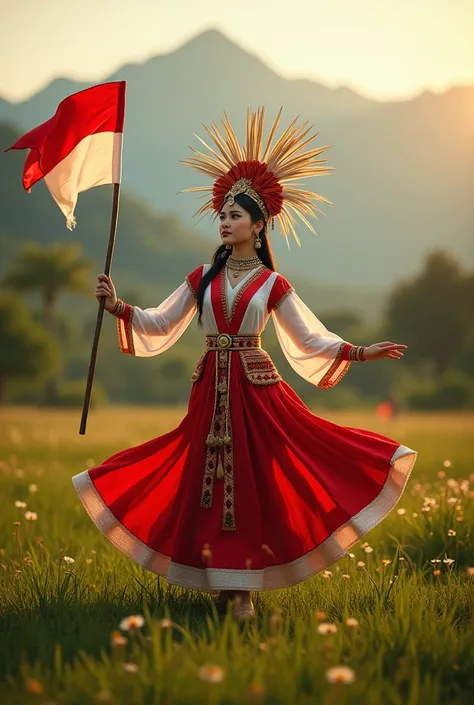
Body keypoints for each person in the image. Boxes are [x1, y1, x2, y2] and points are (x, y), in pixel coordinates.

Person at [73, 109, 417, 621]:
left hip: (257, 393)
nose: (225, 221)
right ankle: (222, 580)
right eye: (224, 214)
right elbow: (160, 320)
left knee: (256, 479)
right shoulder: (203, 278)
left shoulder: (273, 285)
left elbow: (309, 337)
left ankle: (244, 590)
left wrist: (362, 352)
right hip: (210, 387)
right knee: (202, 477)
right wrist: (118, 306)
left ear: (258, 227)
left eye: (236, 215)